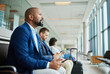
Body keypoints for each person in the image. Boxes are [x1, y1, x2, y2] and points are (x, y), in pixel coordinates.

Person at [6, 7, 66, 74]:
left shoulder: (35, 34)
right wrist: (49, 64)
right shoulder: (21, 31)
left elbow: (39, 56)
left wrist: (54, 61)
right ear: (31, 17)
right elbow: (23, 59)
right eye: (40, 14)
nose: (42, 17)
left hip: (32, 67)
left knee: (62, 70)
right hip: (22, 69)